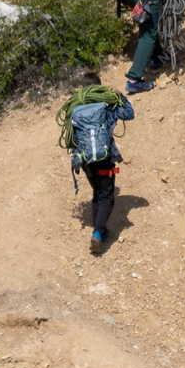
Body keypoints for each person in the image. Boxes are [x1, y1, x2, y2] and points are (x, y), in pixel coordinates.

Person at [66, 81, 134, 255]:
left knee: (97, 190)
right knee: (107, 196)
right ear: (99, 87)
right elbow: (129, 113)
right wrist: (120, 96)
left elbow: (71, 140)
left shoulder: (74, 109)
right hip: (106, 160)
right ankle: (98, 231)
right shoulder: (107, 107)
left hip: (86, 161)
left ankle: (100, 228)